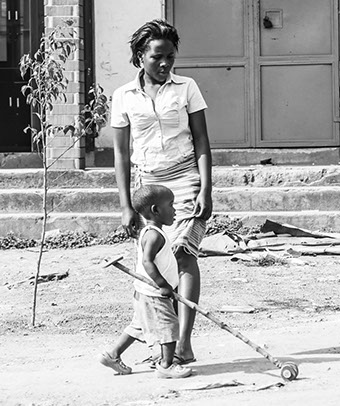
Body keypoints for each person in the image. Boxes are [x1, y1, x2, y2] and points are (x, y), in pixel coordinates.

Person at [111, 19, 213, 365]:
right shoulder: (123, 96)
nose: (165, 63)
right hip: (149, 188)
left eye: (170, 56)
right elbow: (121, 155)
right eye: (157, 57)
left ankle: (183, 343)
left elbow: (202, 141)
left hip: (185, 179)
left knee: (183, 254)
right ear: (140, 56)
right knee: (156, 262)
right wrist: (126, 205)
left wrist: (206, 189)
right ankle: (162, 343)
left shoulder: (187, 88)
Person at [99, 185, 192, 379]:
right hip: (154, 294)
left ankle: (112, 355)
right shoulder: (153, 235)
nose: (175, 210)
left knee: (138, 326)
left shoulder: (150, 232)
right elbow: (147, 262)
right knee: (169, 327)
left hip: (144, 292)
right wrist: (163, 285)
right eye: (171, 205)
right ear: (156, 210)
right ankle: (166, 365)